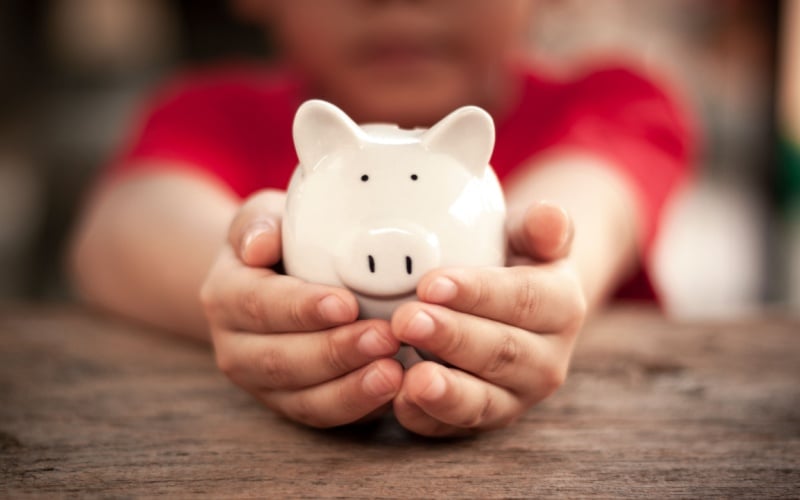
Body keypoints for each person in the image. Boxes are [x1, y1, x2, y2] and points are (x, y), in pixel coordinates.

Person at [70, 0, 693, 437]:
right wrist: (242, 271)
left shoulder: (614, 99)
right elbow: (121, 230)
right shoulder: (206, 114)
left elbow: (590, 200)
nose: (397, 0)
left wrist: (535, 271)